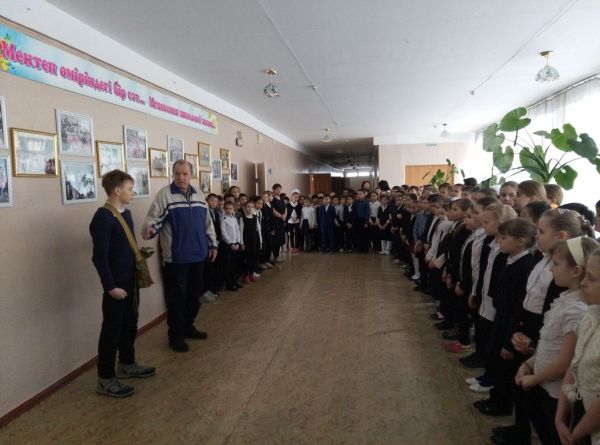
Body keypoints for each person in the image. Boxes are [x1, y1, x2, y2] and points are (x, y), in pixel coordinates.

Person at [516, 237, 598, 445]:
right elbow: (549, 344)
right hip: (546, 386)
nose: (551, 269)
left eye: (556, 264)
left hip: (555, 392)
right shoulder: (566, 299)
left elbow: (564, 363)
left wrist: (534, 379)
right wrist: (528, 364)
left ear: (576, 271)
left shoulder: (578, 310)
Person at [90, 170, 155, 398]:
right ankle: (105, 378)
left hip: (130, 279)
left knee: (129, 323)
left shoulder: (125, 214)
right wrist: (110, 287)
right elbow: (100, 257)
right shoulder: (103, 218)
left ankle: (127, 363)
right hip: (116, 285)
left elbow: (124, 245)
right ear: (117, 191)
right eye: (130, 189)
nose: (133, 193)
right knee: (111, 329)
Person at [142, 160, 217, 353]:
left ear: (191, 175)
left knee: (194, 295)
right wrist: (149, 229)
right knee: (177, 299)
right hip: (176, 259)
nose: (181, 177)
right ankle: (175, 336)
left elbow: (207, 222)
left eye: (185, 174)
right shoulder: (165, 195)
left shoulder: (198, 194)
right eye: (177, 174)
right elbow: (153, 219)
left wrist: (212, 243)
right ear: (173, 174)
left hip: (198, 255)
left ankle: (188, 327)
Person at [555, 246, 600, 445]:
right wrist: (560, 415)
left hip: (591, 425)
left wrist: (577, 433)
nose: (583, 283)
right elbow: (576, 363)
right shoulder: (591, 315)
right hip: (580, 411)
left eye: (591, 278)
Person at [220, 201, 242, 291]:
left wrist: (238, 242)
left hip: (235, 244)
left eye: (230, 209)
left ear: (233, 209)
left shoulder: (234, 218)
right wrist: (230, 243)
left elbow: (237, 230)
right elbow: (223, 233)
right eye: (227, 209)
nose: (229, 210)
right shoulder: (223, 219)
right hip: (228, 245)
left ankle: (234, 281)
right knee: (228, 266)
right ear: (224, 209)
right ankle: (229, 284)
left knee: (234, 265)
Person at [239, 199, 262, 284]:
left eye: (252, 207)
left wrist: (261, 242)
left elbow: (259, 230)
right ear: (245, 208)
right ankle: (246, 276)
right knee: (247, 259)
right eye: (248, 207)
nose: (250, 208)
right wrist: (242, 243)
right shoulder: (242, 218)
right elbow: (241, 231)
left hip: (254, 240)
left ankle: (252, 274)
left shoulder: (255, 217)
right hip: (246, 241)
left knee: (253, 258)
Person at [271, 184, 287, 262]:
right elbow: (273, 210)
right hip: (275, 221)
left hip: (281, 221)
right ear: (273, 189)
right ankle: (275, 257)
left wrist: (284, 216)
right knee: (276, 239)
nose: (279, 190)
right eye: (277, 189)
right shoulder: (272, 199)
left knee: (280, 239)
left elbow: (285, 208)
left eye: (280, 189)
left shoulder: (281, 198)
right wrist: (281, 216)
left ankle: (277, 256)